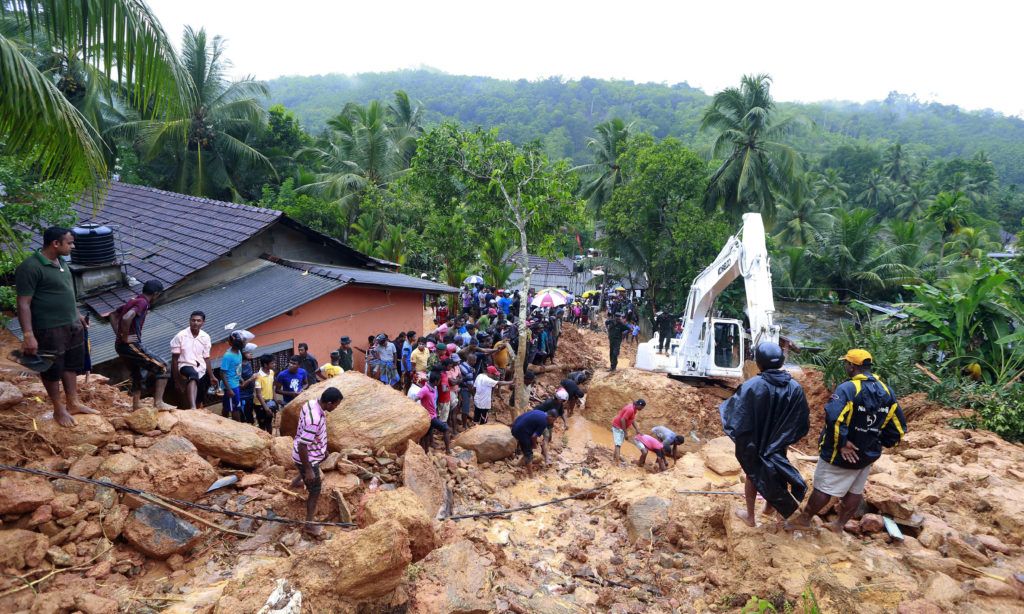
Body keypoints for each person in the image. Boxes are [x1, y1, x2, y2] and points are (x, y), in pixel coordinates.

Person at [786, 349, 907, 533]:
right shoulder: (886, 391)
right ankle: (839, 525)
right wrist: (878, 442)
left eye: (847, 363)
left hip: (842, 453)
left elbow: (834, 418)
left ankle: (805, 519)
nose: (846, 367)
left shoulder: (848, 389)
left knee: (823, 489)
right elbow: (898, 427)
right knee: (855, 491)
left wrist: (841, 443)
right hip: (867, 454)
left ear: (852, 366)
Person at [14, 227, 98, 427]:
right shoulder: (30, 267)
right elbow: (23, 304)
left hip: (72, 325)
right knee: (51, 368)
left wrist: (78, 317)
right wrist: (28, 335)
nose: (73, 246)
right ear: (55, 243)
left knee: (70, 365)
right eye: (69, 243)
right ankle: (58, 408)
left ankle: (73, 402)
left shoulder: (61, 262)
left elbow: (67, 294)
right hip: (49, 329)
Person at [720, 342, 810, 526]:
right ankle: (769, 507)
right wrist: (784, 438)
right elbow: (801, 420)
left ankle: (750, 517)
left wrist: (745, 440)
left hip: (755, 442)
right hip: (779, 442)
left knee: (753, 475)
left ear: (758, 363)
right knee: (775, 469)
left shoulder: (752, 386)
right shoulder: (795, 387)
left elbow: (737, 416)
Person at [111, 280, 174, 411]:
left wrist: (119, 335)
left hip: (120, 346)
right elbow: (126, 317)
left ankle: (136, 404)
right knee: (163, 367)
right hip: (129, 345)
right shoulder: (143, 302)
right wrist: (124, 337)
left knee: (137, 372)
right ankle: (158, 402)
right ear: (156, 294)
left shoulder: (133, 300)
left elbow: (113, 315)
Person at [290, 387, 344, 538]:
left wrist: (321, 449)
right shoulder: (314, 419)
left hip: (311, 453)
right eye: (335, 405)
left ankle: (294, 483)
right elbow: (302, 445)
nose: (336, 407)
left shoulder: (311, 404)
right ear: (328, 402)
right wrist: (308, 470)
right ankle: (309, 524)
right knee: (315, 490)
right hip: (307, 457)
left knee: (308, 471)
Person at [171, 311, 213, 409]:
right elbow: (174, 359)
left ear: (203, 322)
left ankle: (197, 410)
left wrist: (211, 376)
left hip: (201, 368)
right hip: (184, 365)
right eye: (193, 320)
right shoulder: (180, 336)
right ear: (189, 321)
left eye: (198, 321)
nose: (195, 323)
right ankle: (192, 407)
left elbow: (206, 357)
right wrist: (176, 380)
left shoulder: (205, 337)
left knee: (200, 395)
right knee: (193, 374)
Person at [511, 408, 558, 478]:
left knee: (527, 447)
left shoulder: (540, 412)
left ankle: (518, 464)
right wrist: (534, 445)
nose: (553, 422)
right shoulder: (544, 421)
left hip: (515, 427)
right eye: (553, 420)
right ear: (549, 416)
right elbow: (534, 436)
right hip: (522, 432)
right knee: (529, 453)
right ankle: (531, 475)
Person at [417, 370, 451, 454]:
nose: (440, 382)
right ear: (435, 381)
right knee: (446, 429)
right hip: (429, 416)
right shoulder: (425, 389)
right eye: (439, 381)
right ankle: (448, 450)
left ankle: (426, 451)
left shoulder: (434, 388)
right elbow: (416, 398)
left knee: (427, 434)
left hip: (433, 414)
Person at [218, 331, 248, 421]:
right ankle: (237, 424)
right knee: (235, 408)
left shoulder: (238, 352)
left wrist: (240, 378)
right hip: (230, 386)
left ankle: (223, 421)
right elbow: (222, 373)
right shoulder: (228, 356)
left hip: (234, 382)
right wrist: (229, 390)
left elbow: (235, 368)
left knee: (227, 405)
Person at [253, 354, 278, 434]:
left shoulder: (271, 373)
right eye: (272, 363)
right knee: (262, 425)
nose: (274, 365)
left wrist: (275, 400)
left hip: (269, 402)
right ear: (265, 365)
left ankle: (270, 438)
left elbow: (272, 387)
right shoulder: (258, 376)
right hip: (260, 404)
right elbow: (258, 394)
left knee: (269, 422)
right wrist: (266, 408)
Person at [238, 343, 258, 424]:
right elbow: (239, 386)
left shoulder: (248, 363)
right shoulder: (238, 367)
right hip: (243, 396)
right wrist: (251, 379)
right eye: (248, 352)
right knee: (246, 419)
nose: (251, 353)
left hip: (250, 395)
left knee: (250, 416)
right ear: (242, 354)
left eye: (251, 352)